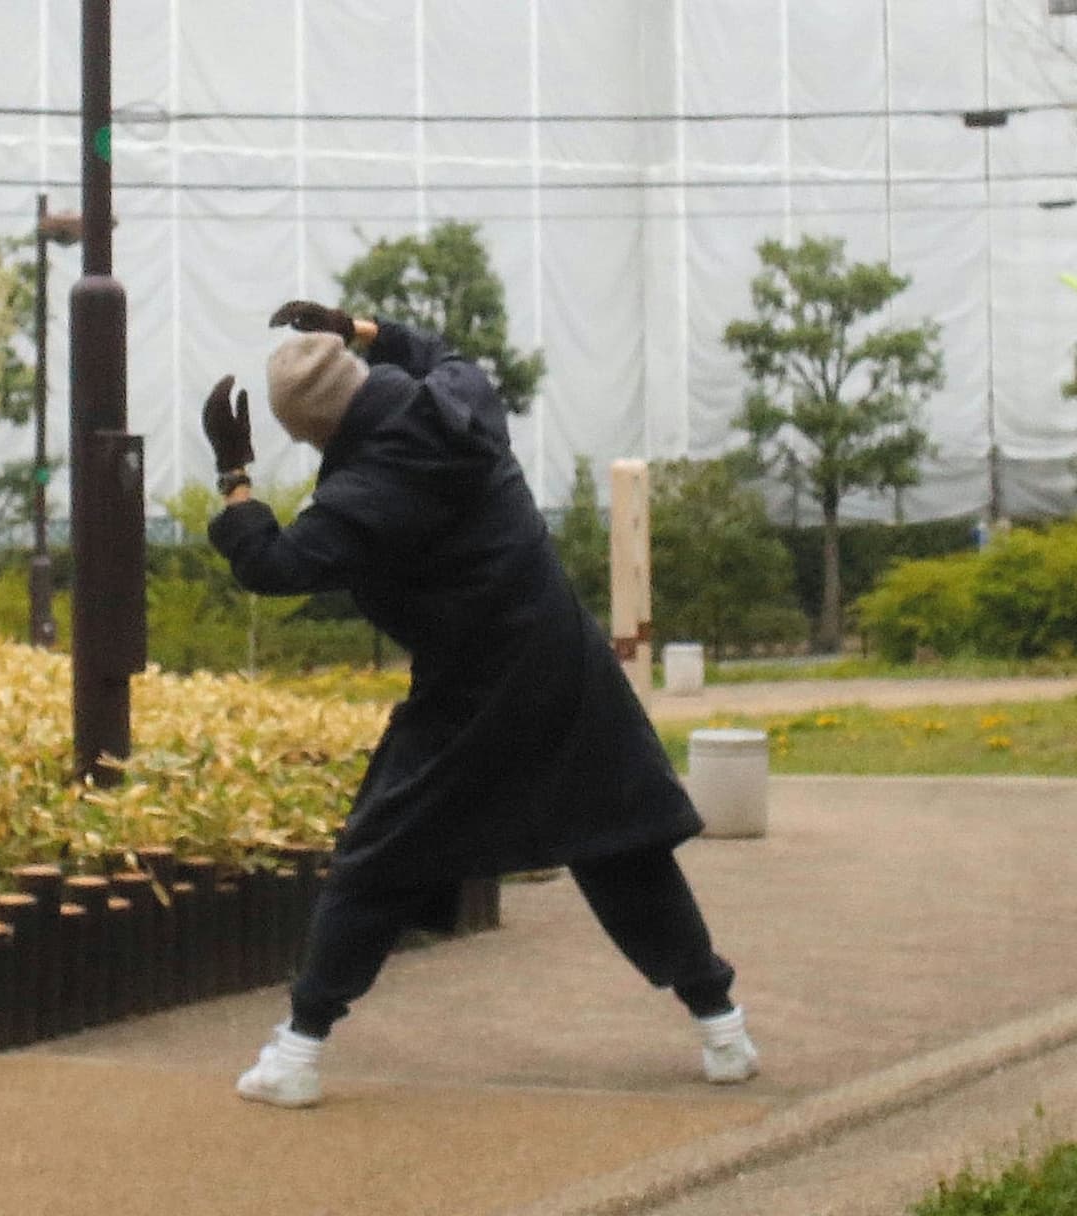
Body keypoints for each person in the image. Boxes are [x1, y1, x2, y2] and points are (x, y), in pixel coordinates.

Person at [202, 301, 758, 1109]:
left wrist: (233, 474)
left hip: (473, 690)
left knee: (376, 858)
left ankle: (297, 1053)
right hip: (565, 665)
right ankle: (725, 1031)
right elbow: (438, 347)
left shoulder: (365, 492)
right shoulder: (459, 398)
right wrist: (358, 327)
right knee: (620, 849)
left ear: (313, 432)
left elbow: (273, 564)